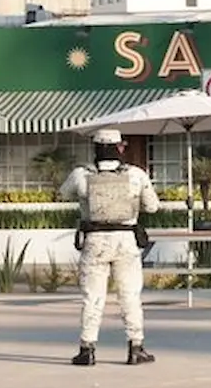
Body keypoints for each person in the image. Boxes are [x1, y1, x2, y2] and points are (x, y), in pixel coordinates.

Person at [59, 128, 161, 366]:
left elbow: (63, 193)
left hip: (94, 240)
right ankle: (136, 347)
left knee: (92, 297)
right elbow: (153, 206)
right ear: (119, 148)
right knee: (130, 295)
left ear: (95, 149)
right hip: (126, 240)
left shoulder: (81, 175)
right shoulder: (136, 175)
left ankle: (87, 348)